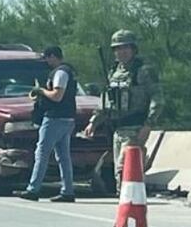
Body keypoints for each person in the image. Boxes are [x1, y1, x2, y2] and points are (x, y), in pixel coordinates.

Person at [82, 30, 162, 191]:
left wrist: (148, 125)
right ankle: (126, 200)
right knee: (120, 174)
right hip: (117, 130)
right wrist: (93, 122)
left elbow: (157, 99)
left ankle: (132, 200)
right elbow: (106, 102)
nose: (121, 52)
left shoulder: (143, 71)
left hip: (135, 127)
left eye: (125, 48)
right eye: (118, 48)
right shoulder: (114, 72)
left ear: (133, 49)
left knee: (124, 167)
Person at [15, 47, 78, 202]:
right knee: (63, 156)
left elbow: (57, 96)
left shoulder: (61, 73)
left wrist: (41, 91)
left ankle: (33, 189)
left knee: (42, 153)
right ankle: (68, 191)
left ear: (53, 56)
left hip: (55, 118)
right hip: (67, 118)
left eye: (47, 58)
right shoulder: (68, 71)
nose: (46, 61)